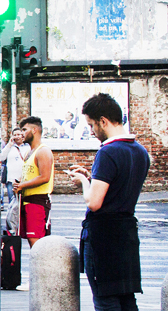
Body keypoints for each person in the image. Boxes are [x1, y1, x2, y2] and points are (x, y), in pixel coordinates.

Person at [69, 93, 149, 311]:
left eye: (92, 125)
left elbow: (94, 202)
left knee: (106, 300)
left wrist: (85, 182)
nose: (92, 131)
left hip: (103, 237)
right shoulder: (140, 151)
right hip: (127, 234)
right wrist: (93, 179)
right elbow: (119, 187)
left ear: (103, 121)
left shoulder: (108, 152)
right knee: (126, 299)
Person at [14, 116, 53, 249]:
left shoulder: (43, 151)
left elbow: (44, 177)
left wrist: (22, 185)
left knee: (36, 240)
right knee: (31, 239)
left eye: (24, 130)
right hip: (26, 200)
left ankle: (41, 269)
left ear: (35, 130)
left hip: (38, 201)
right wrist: (19, 184)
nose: (21, 134)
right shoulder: (29, 153)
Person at [0, 127, 31, 208]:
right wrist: (9, 145)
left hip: (25, 179)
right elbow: (1, 157)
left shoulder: (28, 147)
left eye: (19, 134)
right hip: (11, 179)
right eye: (15, 135)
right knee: (13, 203)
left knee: (25, 202)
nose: (17, 137)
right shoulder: (10, 147)